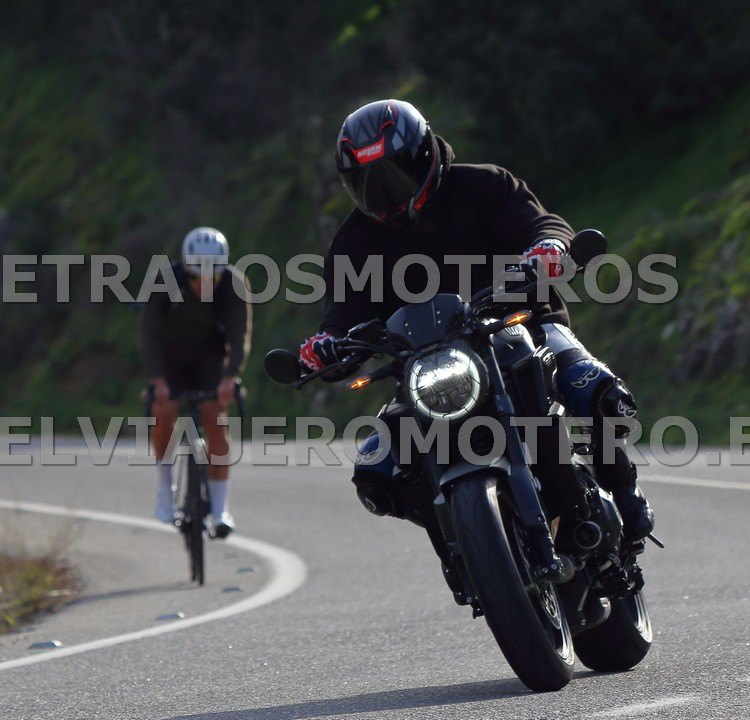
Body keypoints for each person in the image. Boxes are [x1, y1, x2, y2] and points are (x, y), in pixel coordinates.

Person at [298, 99, 654, 551]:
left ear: (425, 155)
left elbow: (540, 224)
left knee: (594, 389)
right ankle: (460, 550)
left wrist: (548, 248)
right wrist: (326, 345)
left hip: (521, 324)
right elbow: (344, 311)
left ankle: (624, 489)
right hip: (426, 362)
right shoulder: (353, 242)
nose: (385, 192)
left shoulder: (483, 184)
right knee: (378, 471)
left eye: (394, 174)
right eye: (368, 183)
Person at [140, 227, 252, 538]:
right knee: (164, 408)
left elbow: (239, 334)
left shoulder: (234, 283)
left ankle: (220, 508)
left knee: (216, 416)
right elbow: (148, 333)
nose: (205, 283)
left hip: (210, 356)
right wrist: (157, 378)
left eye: (212, 277)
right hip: (170, 356)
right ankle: (165, 489)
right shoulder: (163, 280)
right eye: (197, 276)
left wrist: (230, 376)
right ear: (186, 268)